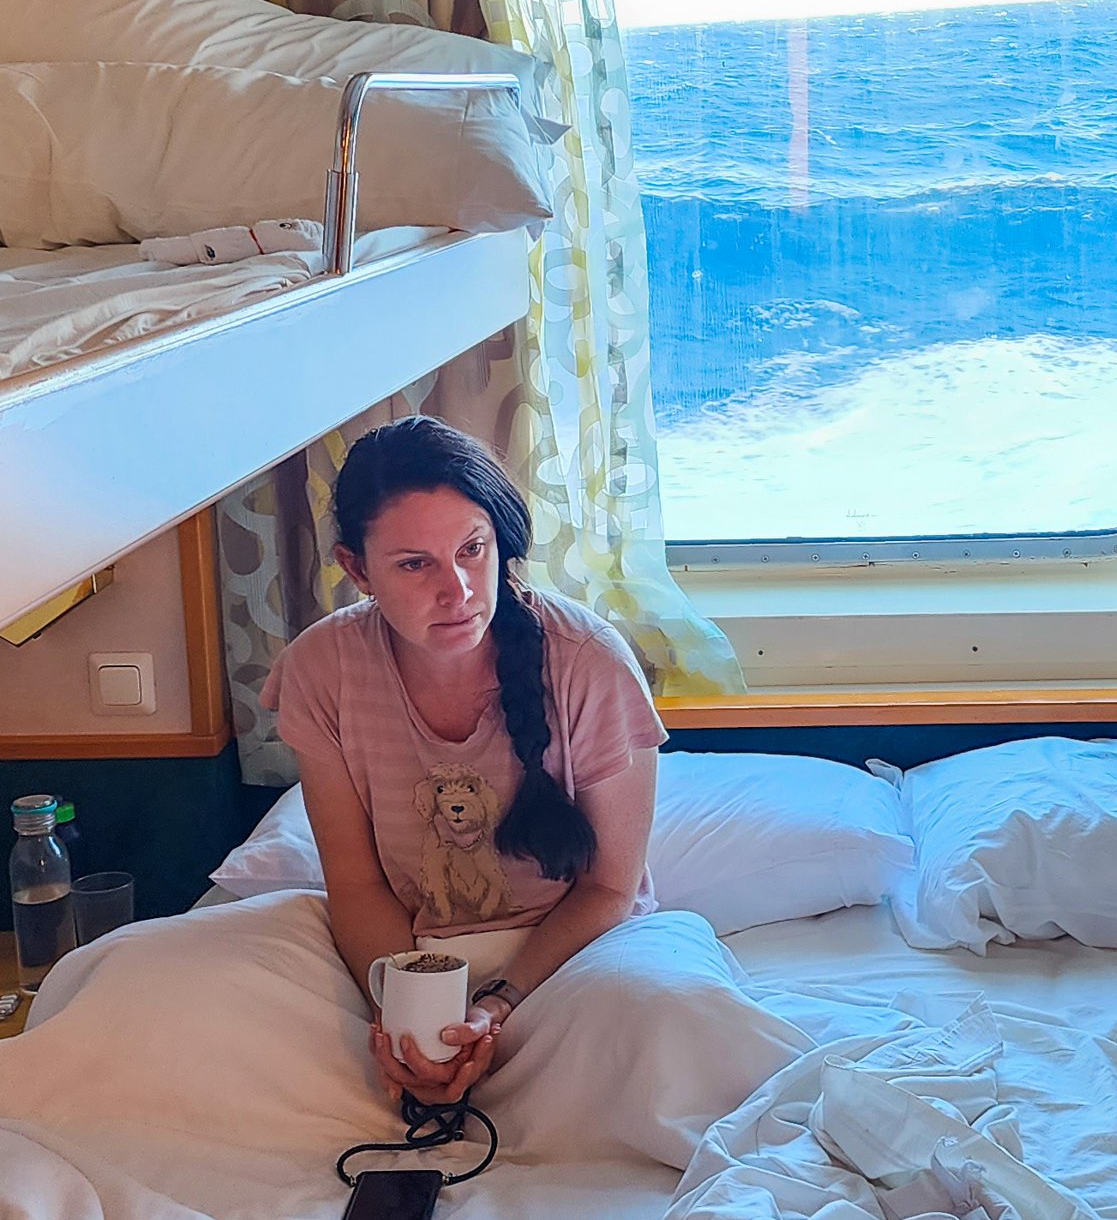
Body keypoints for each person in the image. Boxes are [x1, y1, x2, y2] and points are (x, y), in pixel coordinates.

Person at [261, 418, 806, 1153]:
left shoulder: (586, 660)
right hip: (410, 955)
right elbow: (357, 889)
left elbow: (610, 888)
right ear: (357, 570)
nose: (456, 590)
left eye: (472, 550)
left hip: (580, 958)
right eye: (415, 565)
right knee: (163, 986)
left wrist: (496, 1007)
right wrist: (408, 1014)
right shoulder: (320, 669)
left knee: (681, 1015)